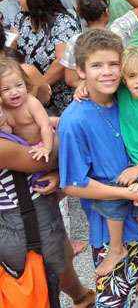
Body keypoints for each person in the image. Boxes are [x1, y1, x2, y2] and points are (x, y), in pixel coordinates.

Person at [58, 28, 138, 307]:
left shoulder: (128, 95)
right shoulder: (74, 120)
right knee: (114, 299)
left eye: (114, 64)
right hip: (111, 225)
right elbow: (72, 184)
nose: (107, 72)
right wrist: (130, 195)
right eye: (96, 66)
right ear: (81, 71)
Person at [0, 130, 96, 308]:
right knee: (46, 277)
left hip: (28, 215)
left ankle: (83, 298)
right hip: (23, 223)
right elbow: (48, 158)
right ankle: (83, 299)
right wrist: (54, 132)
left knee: (56, 265)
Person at [9, 0, 80, 114]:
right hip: (26, 90)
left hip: (56, 93)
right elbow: (12, 50)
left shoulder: (64, 22)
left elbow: (61, 61)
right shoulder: (21, 18)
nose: (17, 1)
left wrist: (38, 87)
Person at [61, 0, 138, 87]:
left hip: (92, 95)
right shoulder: (119, 30)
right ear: (106, 12)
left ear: (81, 15)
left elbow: (71, 80)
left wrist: (93, 86)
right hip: (119, 90)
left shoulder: (75, 41)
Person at [0, 58, 54, 161]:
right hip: (25, 147)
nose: (14, 92)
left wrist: (46, 147)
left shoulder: (31, 103)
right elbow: (8, 130)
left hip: (44, 141)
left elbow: (45, 126)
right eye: (6, 89)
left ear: (26, 83)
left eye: (19, 85)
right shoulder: (4, 107)